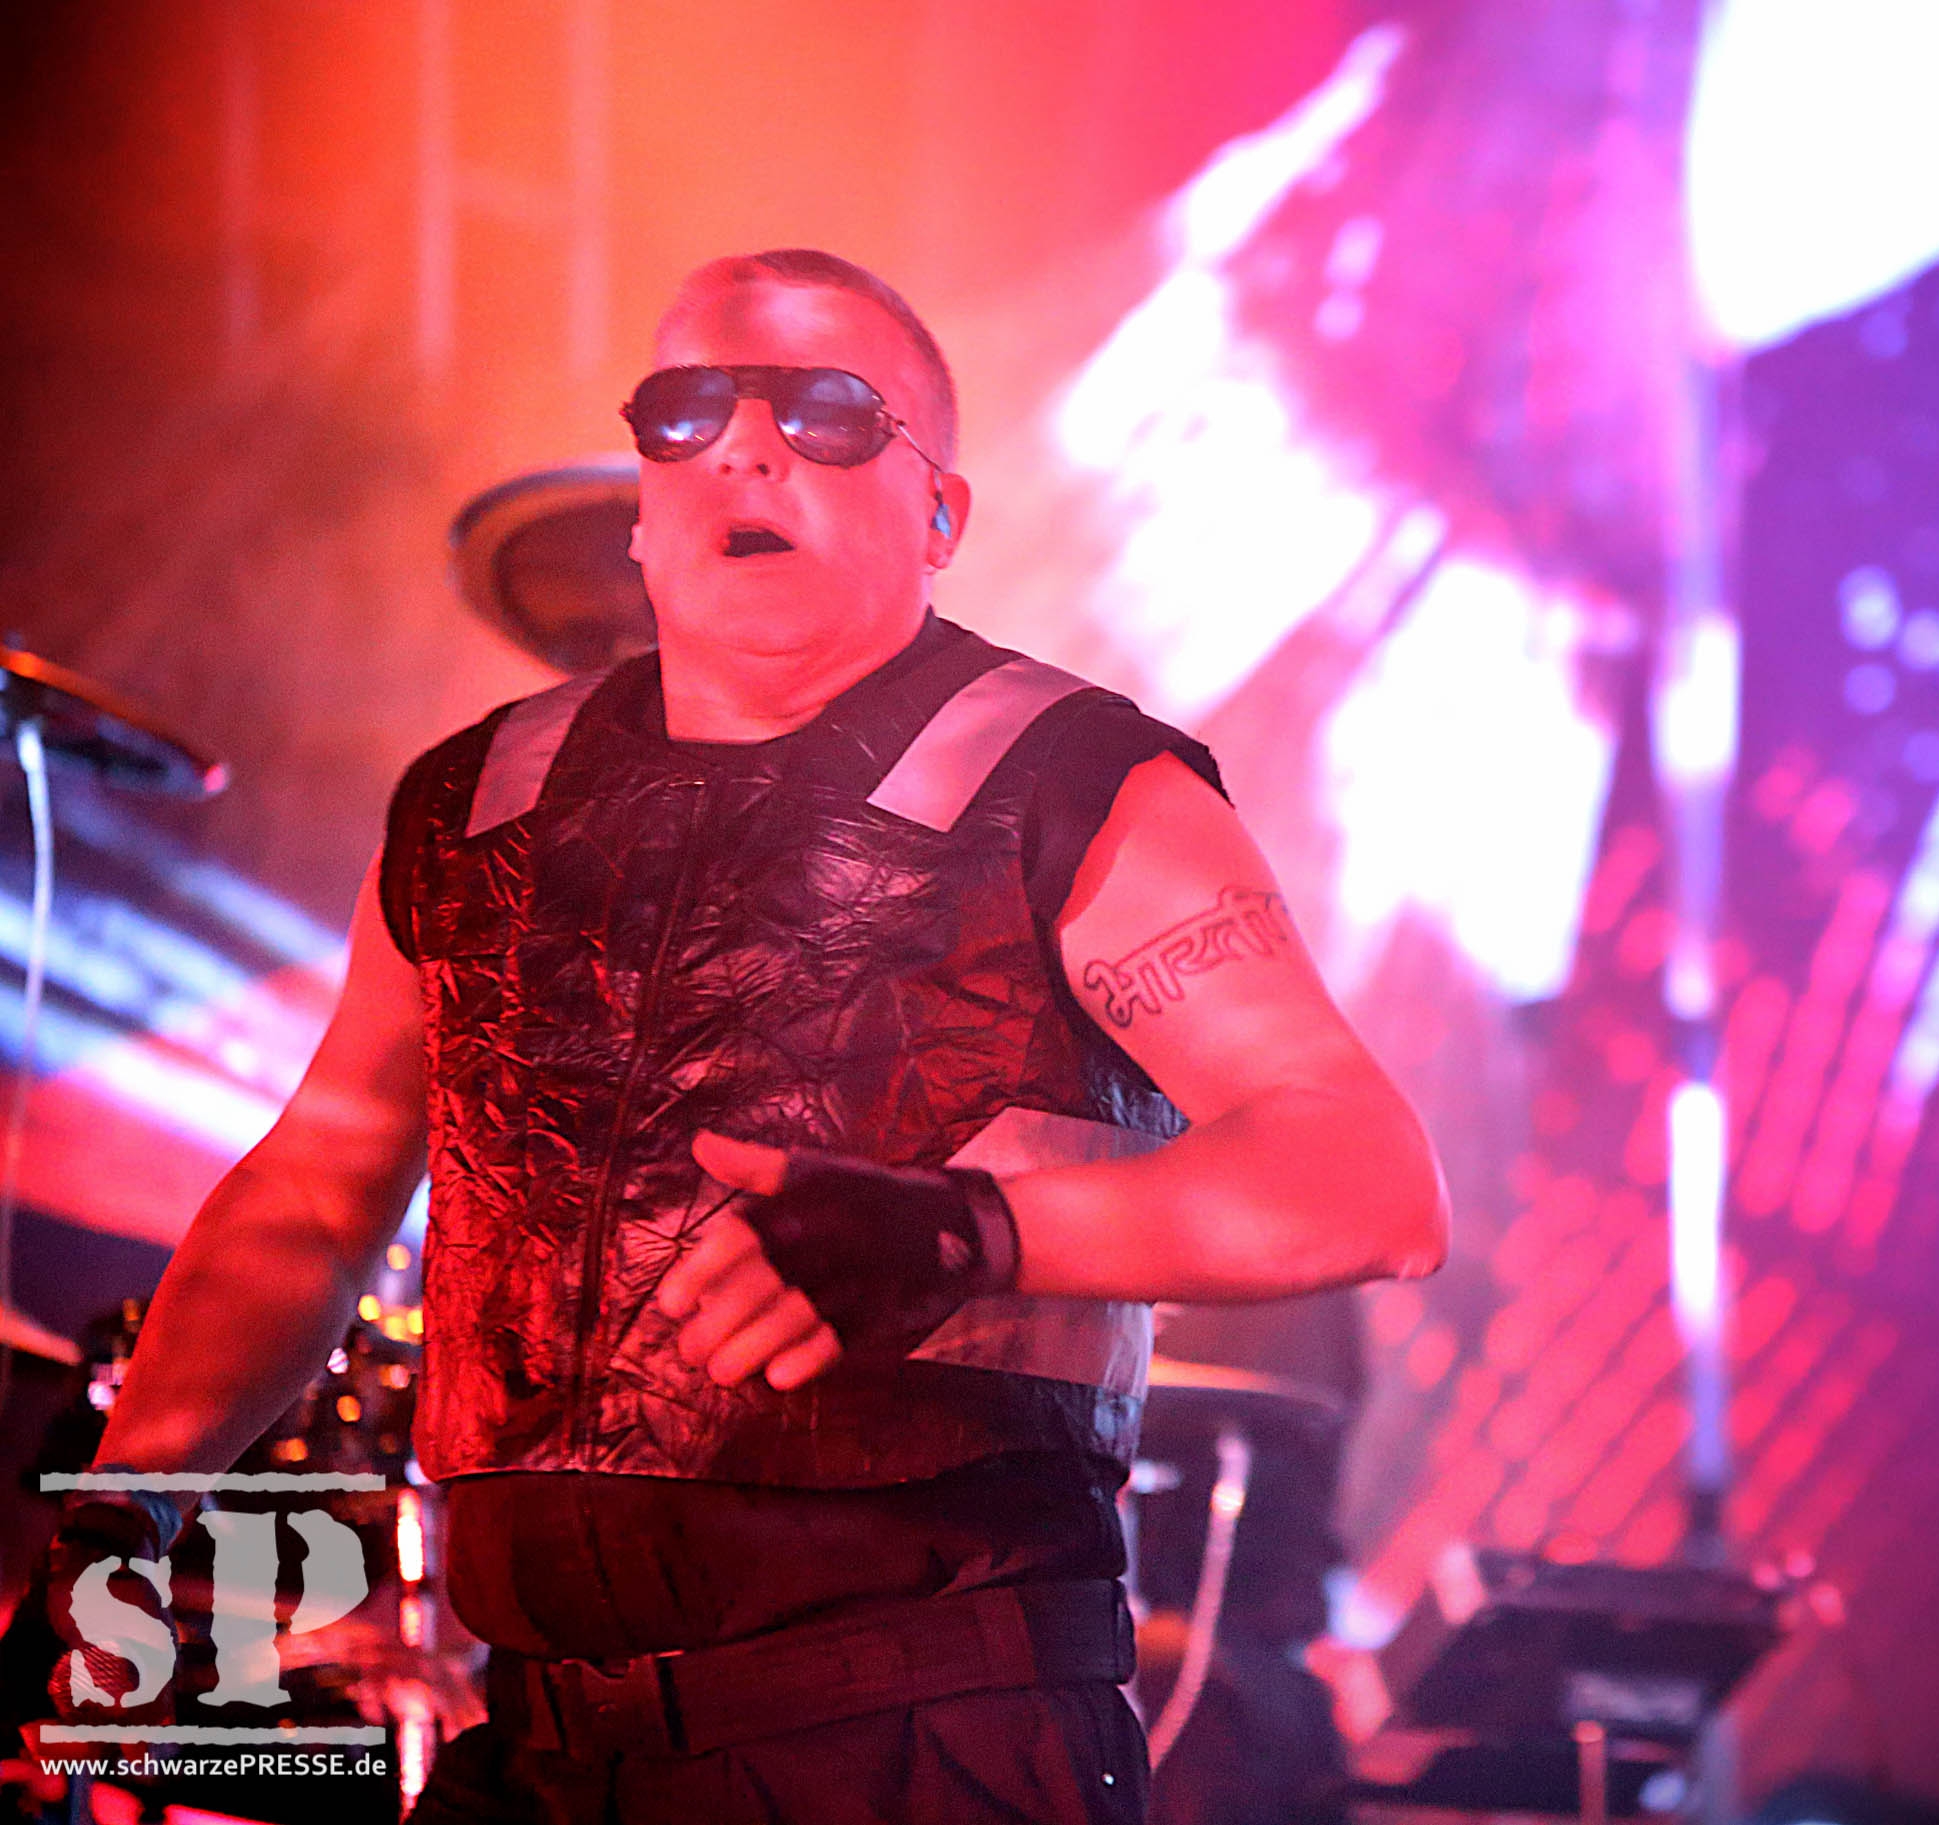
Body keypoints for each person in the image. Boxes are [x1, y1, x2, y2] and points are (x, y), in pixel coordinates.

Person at [33, 248, 1448, 1823]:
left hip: (918, 1743)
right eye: (686, 410)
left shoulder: (1076, 783)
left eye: (829, 411)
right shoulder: (470, 803)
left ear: (940, 512)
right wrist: (124, 1507)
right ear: (643, 510)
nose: (748, 448)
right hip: (542, 1745)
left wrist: (964, 1231)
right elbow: (315, 1190)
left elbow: (1370, 1181)